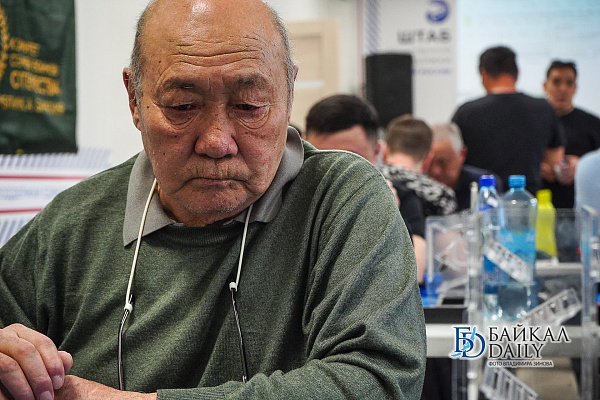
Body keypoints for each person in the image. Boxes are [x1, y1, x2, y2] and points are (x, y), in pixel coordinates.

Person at [0, 1, 426, 399]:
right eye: (183, 106)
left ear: (289, 93)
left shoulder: (339, 201)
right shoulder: (71, 226)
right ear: (134, 99)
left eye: (250, 106)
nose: (217, 142)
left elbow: (377, 379)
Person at [303, 94, 428, 283]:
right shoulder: (287, 201)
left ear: (378, 152)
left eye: (350, 160)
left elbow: (414, 274)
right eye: (322, 159)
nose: (337, 173)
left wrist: (387, 215)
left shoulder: (401, 199)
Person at [452, 46, 564, 195]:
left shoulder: (466, 112)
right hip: (528, 199)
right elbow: (554, 161)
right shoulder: (544, 109)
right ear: (516, 74)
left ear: (483, 74)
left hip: (483, 200)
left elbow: (452, 160)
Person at [542, 60, 600, 208]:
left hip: (581, 207)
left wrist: (582, 167)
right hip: (539, 205)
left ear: (575, 88)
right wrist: (538, 167)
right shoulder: (533, 123)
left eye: (569, 83)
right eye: (556, 82)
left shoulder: (593, 124)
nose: (563, 89)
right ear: (545, 86)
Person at [427, 122, 503, 211]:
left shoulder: (486, 186)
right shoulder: (418, 189)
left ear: (462, 154)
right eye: (429, 163)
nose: (435, 170)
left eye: (443, 162)